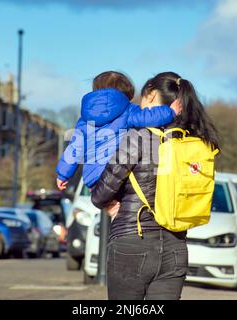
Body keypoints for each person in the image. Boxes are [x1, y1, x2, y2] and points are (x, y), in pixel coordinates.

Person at [91, 72, 220, 300]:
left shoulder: (137, 137)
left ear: (150, 95)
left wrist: (108, 202)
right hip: (176, 247)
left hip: (132, 241)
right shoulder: (195, 142)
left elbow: (101, 193)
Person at [56, 71, 180, 190]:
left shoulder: (84, 120)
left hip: (93, 178)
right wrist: (171, 112)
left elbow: (74, 149)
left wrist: (63, 175)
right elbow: (148, 117)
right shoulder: (128, 110)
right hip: (117, 174)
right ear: (127, 93)